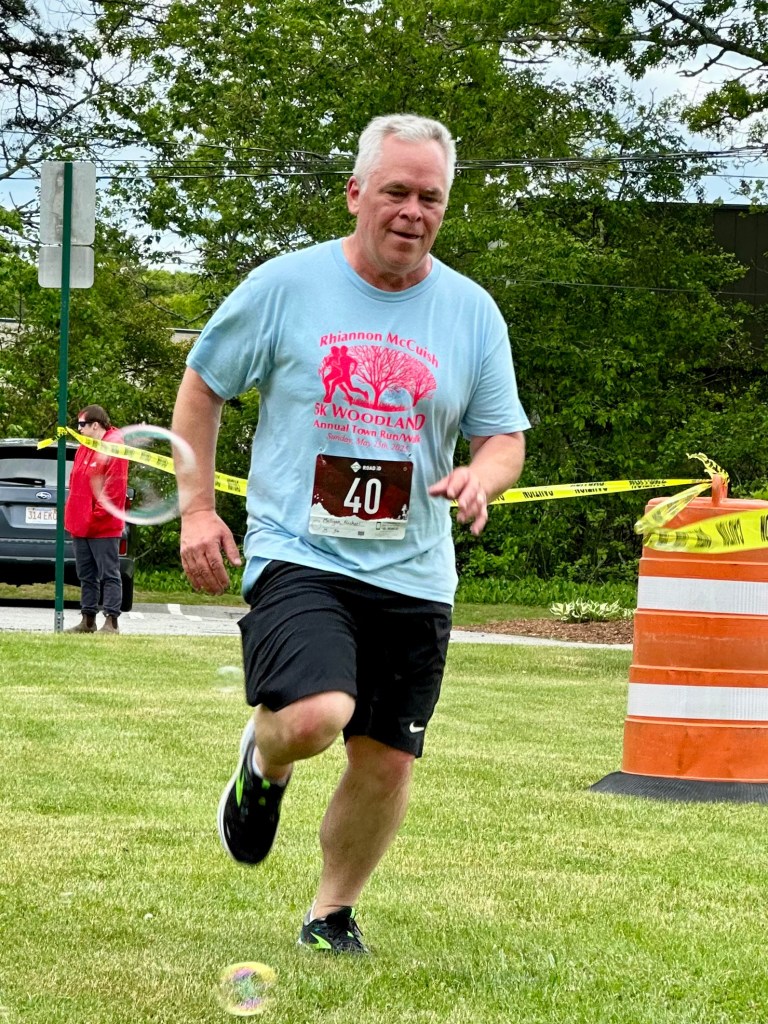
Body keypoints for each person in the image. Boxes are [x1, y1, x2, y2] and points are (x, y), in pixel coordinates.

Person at [172, 114, 530, 953]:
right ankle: (264, 763)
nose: (412, 211)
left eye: (430, 197)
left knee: (386, 761)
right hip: (302, 551)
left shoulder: (471, 312)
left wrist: (482, 477)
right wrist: (196, 509)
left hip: (415, 568)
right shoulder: (285, 286)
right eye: (396, 191)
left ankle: (330, 914)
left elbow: (503, 438)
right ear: (356, 193)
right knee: (315, 715)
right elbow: (203, 385)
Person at [64, 405, 128, 634]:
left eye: (82, 424)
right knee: (86, 575)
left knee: (109, 574)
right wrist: (74, 514)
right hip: (80, 524)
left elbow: (114, 487)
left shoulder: (114, 447)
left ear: (95, 425)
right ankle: (88, 620)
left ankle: (111, 621)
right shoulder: (84, 446)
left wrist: (96, 514)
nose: (78, 428)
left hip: (103, 526)